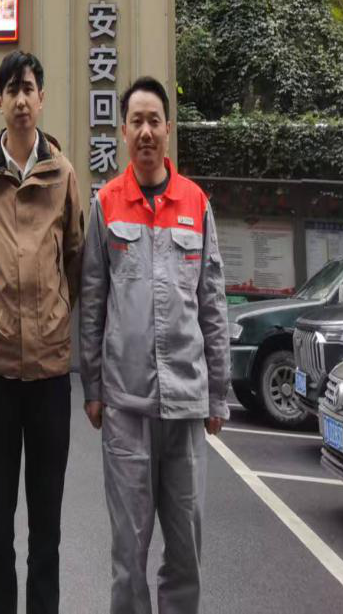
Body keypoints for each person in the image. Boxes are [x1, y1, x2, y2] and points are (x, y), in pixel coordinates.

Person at [80, 76, 230, 614]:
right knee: (128, 554)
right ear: (123, 131)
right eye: (135, 121)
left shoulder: (195, 202)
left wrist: (218, 394)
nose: (145, 131)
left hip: (186, 404)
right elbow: (92, 301)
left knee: (186, 552)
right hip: (126, 406)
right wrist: (92, 386)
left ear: (168, 128)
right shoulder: (106, 204)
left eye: (154, 121)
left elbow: (212, 302)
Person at [0, 50, 85, 614]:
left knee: (46, 527)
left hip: (50, 377)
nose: (21, 99)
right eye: (11, 90)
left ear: (42, 97)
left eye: (29, 88)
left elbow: (75, 259)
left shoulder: (63, 175)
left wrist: (52, 317)